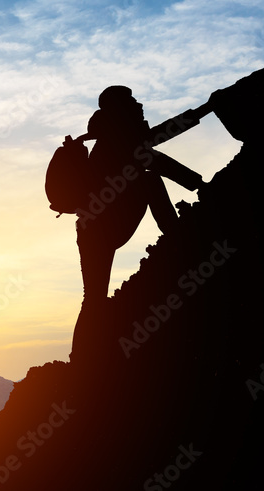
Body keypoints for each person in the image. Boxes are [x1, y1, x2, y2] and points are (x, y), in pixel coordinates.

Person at [70, 85, 207, 362]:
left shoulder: (113, 136)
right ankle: (177, 236)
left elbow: (158, 141)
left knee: (94, 299)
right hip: (102, 226)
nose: (139, 104)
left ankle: (81, 360)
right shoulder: (119, 138)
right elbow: (158, 154)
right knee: (149, 181)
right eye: (132, 101)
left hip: (92, 229)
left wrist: (203, 111)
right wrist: (199, 184)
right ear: (120, 109)